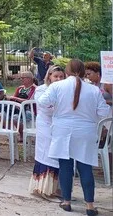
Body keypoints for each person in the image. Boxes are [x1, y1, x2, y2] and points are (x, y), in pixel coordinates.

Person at [37, 59, 109, 215]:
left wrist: (56, 107)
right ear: (84, 72)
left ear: (66, 72)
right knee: (85, 168)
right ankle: (89, 205)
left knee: (65, 167)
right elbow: (103, 112)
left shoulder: (57, 86)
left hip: (62, 130)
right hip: (85, 131)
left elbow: (42, 102)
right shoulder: (93, 90)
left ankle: (66, 201)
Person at [29, 65, 65, 199]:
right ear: (49, 76)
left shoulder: (64, 90)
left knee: (57, 155)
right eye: (56, 76)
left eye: (61, 77)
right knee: (46, 153)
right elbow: (46, 108)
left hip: (59, 127)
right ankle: (43, 187)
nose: (58, 79)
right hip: (45, 125)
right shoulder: (41, 89)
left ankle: (55, 188)